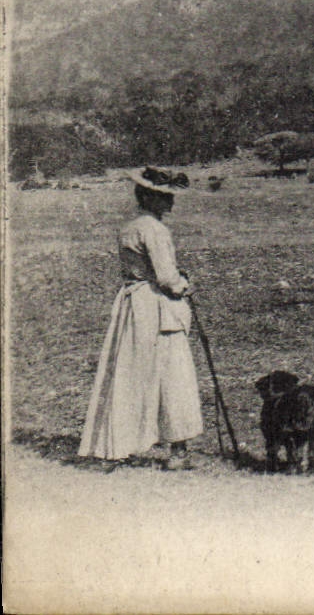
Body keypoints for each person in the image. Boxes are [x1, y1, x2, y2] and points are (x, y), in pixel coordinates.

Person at [79, 167, 205, 469]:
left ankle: (117, 443)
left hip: (134, 307)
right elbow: (166, 277)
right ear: (149, 197)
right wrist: (184, 284)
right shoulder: (155, 230)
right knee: (174, 376)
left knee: (129, 372)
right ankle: (178, 450)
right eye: (164, 197)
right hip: (157, 308)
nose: (171, 203)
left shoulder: (130, 227)